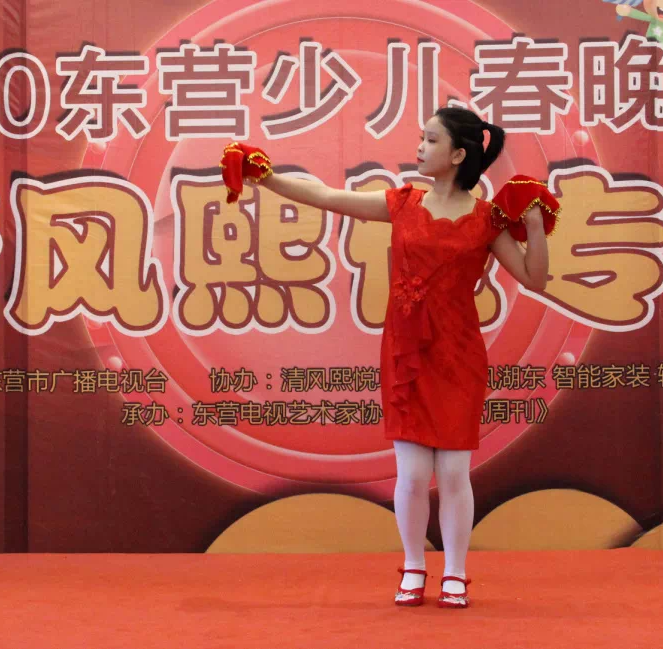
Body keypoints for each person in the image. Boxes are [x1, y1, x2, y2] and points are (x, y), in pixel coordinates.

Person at [219, 106, 558, 608]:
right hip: (405, 351)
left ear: (458, 155)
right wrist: (264, 178)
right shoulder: (403, 203)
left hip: (459, 355)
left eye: (431, 140)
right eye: (422, 138)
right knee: (414, 474)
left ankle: (456, 572)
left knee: (453, 473)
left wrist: (533, 221)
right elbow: (326, 196)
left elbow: (535, 279)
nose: (420, 147)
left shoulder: (488, 220)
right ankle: (414, 566)